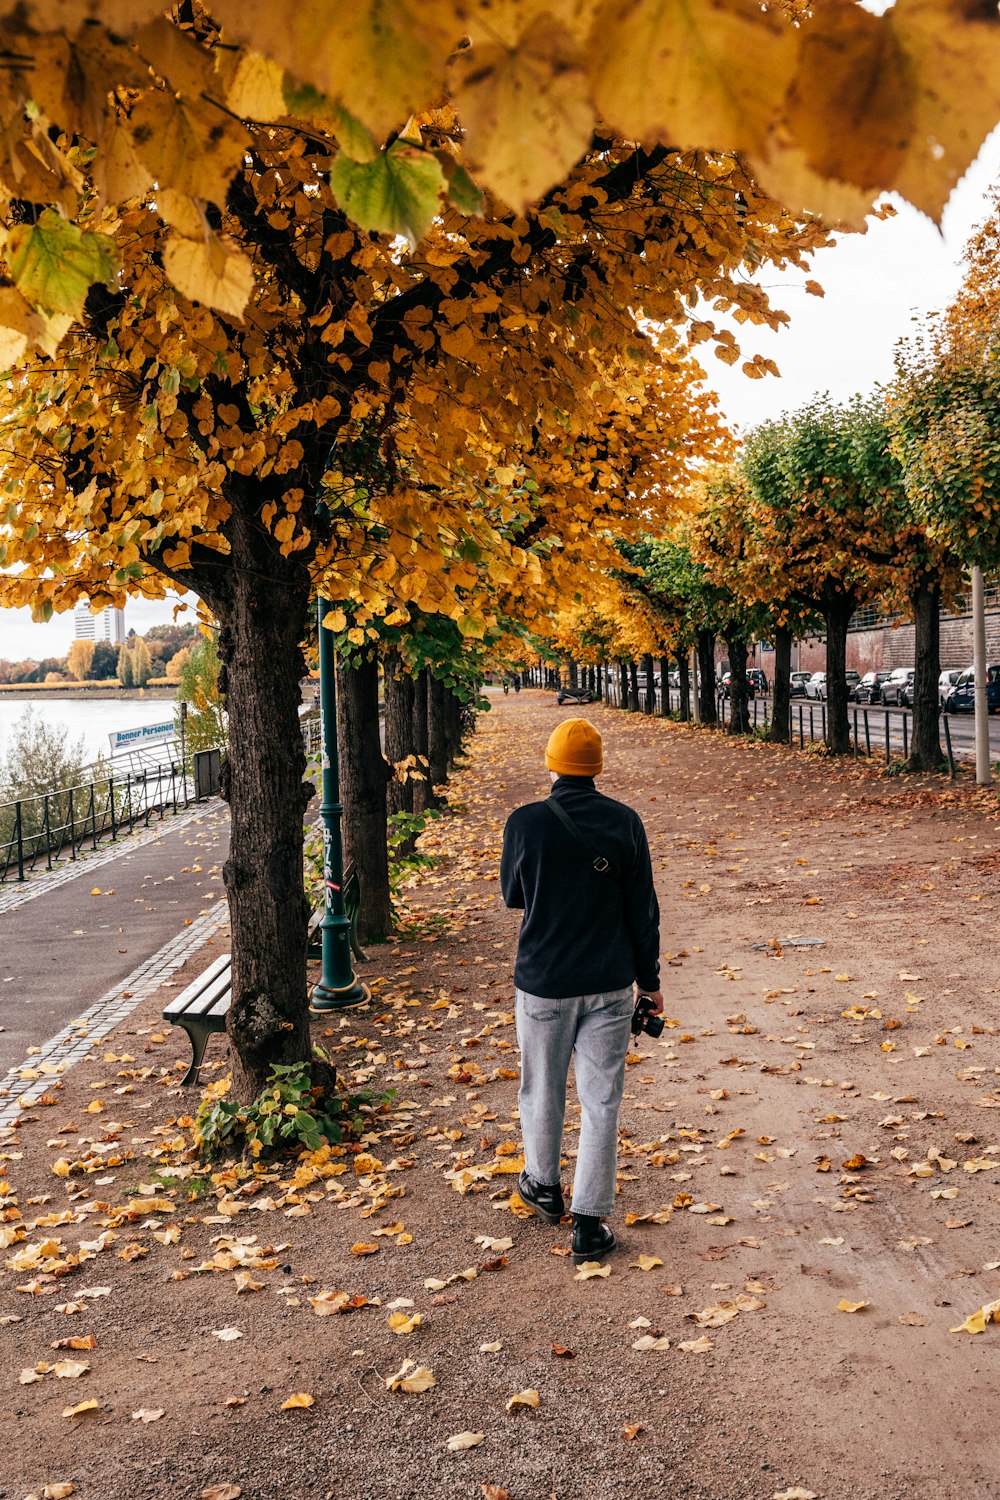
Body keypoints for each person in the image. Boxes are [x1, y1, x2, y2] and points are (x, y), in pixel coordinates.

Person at [500, 718, 662, 1263]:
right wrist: (652, 983)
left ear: (551, 764)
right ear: (597, 768)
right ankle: (589, 1224)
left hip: (544, 983)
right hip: (610, 984)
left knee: (540, 1088)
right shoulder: (625, 822)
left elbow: (513, 896)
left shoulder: (524, 823)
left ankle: (543, 1186)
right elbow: (643, 910)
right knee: (601, 1100)